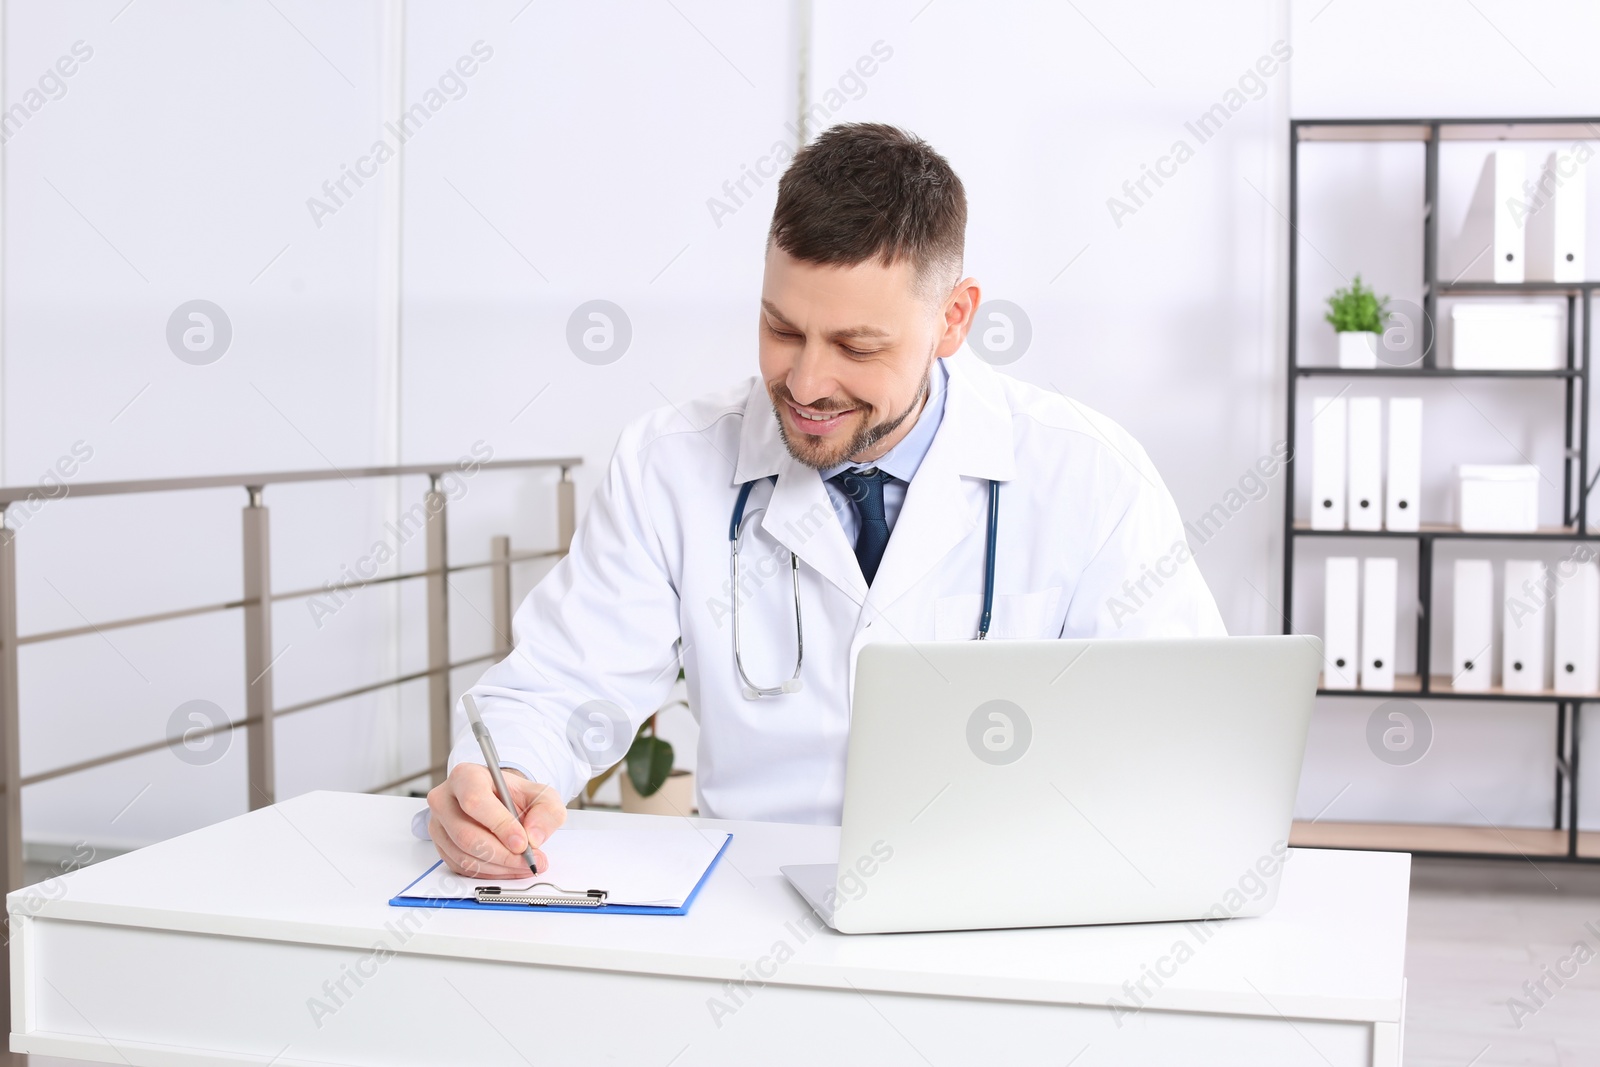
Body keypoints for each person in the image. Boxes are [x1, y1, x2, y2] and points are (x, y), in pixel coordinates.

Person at [425, 123, 1225, 877]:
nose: (805, 385)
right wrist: (505, 779)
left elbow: (1180, 740)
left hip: (995, 906)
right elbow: (561, 684)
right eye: (782, 329)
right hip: (744, 910)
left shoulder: (1090, 477)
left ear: (953, 319)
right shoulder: (669, 465)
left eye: (856, 346)